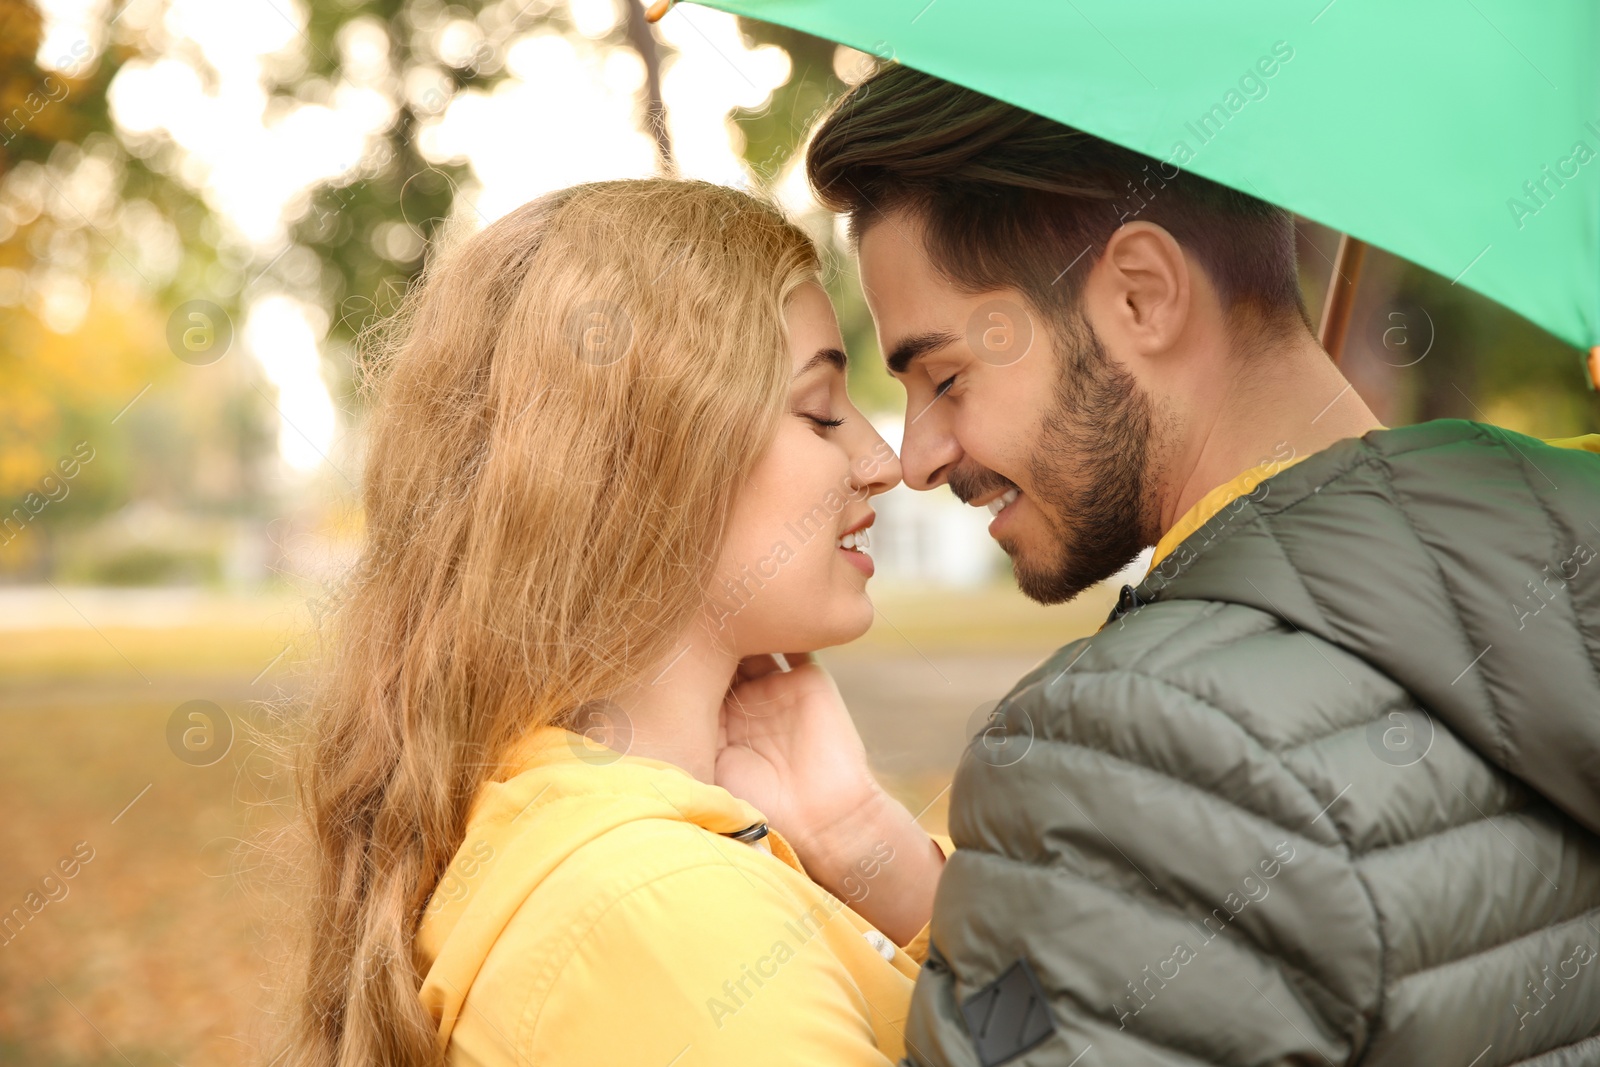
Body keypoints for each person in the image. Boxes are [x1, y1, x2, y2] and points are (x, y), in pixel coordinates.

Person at [757, 64, 1600, 1065]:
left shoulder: (1124, 744)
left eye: (945, 377)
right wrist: (889, 865)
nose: (916, 455)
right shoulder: (1552, 553)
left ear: (1140, 295)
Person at [264, 178, 952, 1067]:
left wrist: (868, 845)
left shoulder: (575, 838)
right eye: (820, 412)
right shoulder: (669, 919)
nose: (881, 460)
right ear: (650, 460)